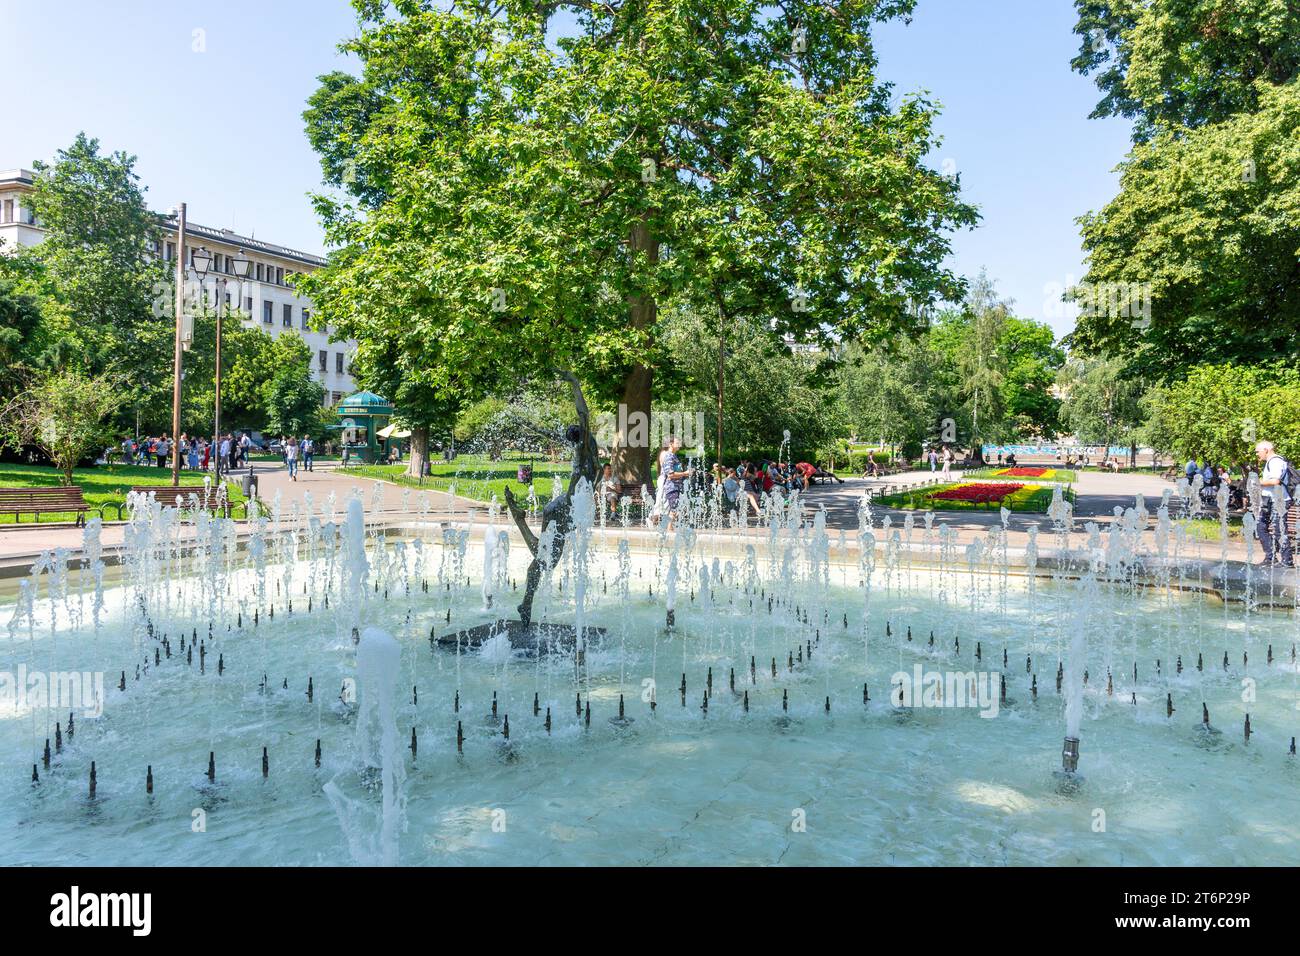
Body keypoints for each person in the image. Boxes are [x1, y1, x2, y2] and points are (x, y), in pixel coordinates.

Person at [1255, 440, 1294, 568]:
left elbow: (1275, 481)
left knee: (1279, 530)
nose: (1257, 454)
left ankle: (1287, 561)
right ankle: (1270, 557)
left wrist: (1257, 482)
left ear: (1266, 449)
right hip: (1270, 500)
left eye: (1258, 451)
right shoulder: (1270, 462)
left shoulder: (1276, 461)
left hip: (1280, 501)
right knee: (1260, 526)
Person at [660, 436, 692, 530]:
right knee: (674, 509)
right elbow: (670, 474)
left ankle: (670, 529)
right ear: (671, 444)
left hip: (675, 487)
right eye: (677, 443)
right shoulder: (669, 456)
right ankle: (670, 530)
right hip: (671, 487)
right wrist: (685, 473)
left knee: (674, 509)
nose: (679, 445)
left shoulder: (673, 456)